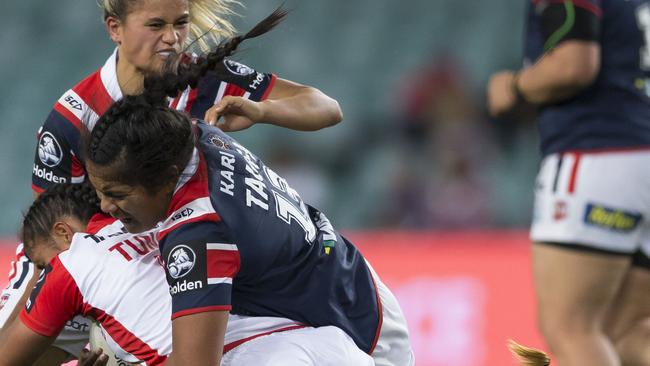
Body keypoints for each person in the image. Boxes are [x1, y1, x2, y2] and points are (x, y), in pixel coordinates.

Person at [1, 0, 342, 361]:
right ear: (114, 28)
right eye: (155, 25)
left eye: (181, 23)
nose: (173, 39)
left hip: (187, 263)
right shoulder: (72, 120)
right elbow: (53, 237)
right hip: (100, 265)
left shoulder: (203, 79)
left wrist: (263, 110)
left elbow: (326, 108)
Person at [81, 23, 414, 365]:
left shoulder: (199, 231)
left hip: (351, 332)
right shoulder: (194, 135)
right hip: (352, 287)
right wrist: (264, 110)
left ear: (164, 178)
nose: (106, 206)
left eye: (117, 193)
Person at [0, 183, 374, 366]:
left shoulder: (72, 267)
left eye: (42, 265)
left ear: (64, 233)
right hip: (326, 345)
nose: (43, 277)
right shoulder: (163, 220)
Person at [487, 1, 650, 365]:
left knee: (570, 328)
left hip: (599, 156)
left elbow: (573, 64)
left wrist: (513, 87)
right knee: (629, 330)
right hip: (642, 155)